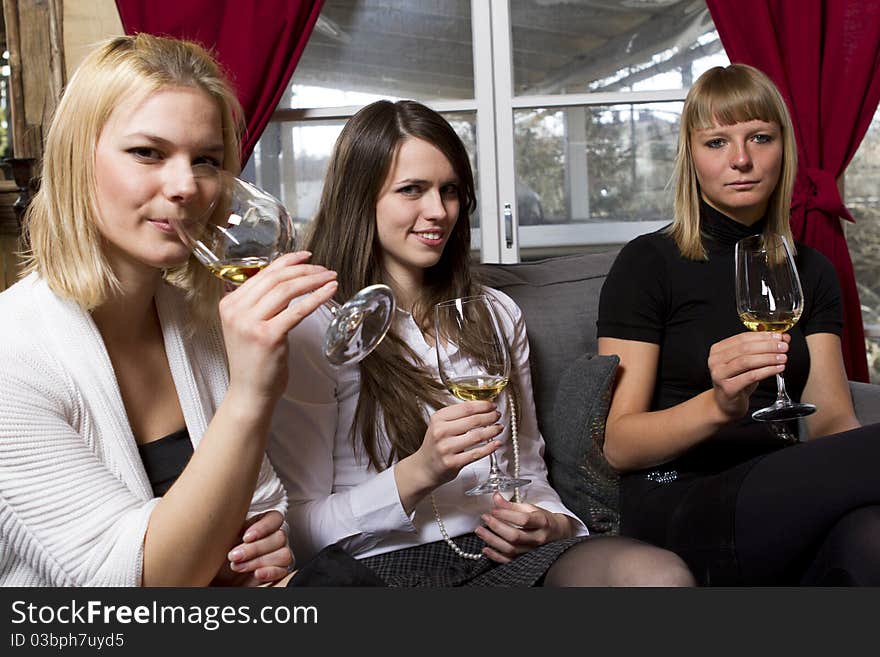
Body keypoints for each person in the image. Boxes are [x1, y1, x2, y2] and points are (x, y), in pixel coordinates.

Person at [268, 99, 695, 587]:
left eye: (450, 190)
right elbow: (297, 531)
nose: (439, 212)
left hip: (499, 556)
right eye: (412, 190)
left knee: (657, 576)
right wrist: (420, 471)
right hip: (376, 572)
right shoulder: (316, 326)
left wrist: (549, 524)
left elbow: (527, 468)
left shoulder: (495, 313)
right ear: (360, 198)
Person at [0, 34, 339, 586]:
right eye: (147, 152)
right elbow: (122, 585)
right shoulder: (11, 355)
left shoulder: (198, 324)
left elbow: (261, 510)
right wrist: (253, 392)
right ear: (75, 161)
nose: (186, 186)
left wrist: (262, 551)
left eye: (206, 160)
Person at [597, 63, 880, 586]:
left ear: (783, 147)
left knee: (872, 537)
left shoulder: (809, 269)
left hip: (783, 492)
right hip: (676, 495)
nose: (741, 159)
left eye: (759, 137)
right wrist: (719, 405)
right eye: (716, 142)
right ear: (692, 157)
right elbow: (617, 443)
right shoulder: (647, 263)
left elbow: (832, 424)